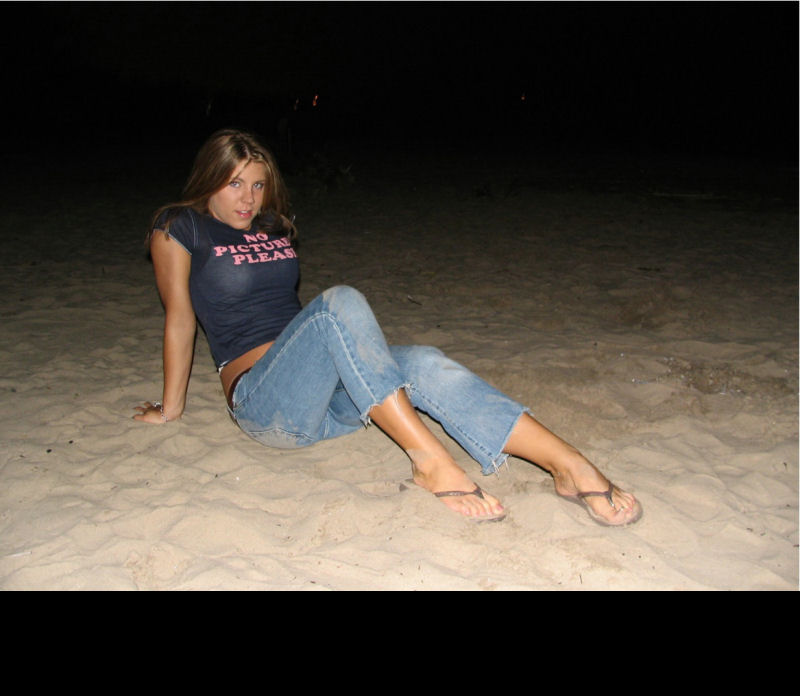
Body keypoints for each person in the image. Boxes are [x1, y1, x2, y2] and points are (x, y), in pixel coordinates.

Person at [134, 129, 642, 526]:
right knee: (338, 304)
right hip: (267, 404)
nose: (248, 198)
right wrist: (170, 409)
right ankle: (430, 462)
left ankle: (567, 465)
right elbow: (180, 317)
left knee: (423, 361)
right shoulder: (180, 226)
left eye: (258, 184)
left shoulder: (271, 226)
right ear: (210, 179)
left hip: (330, 397)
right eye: (234, 183)